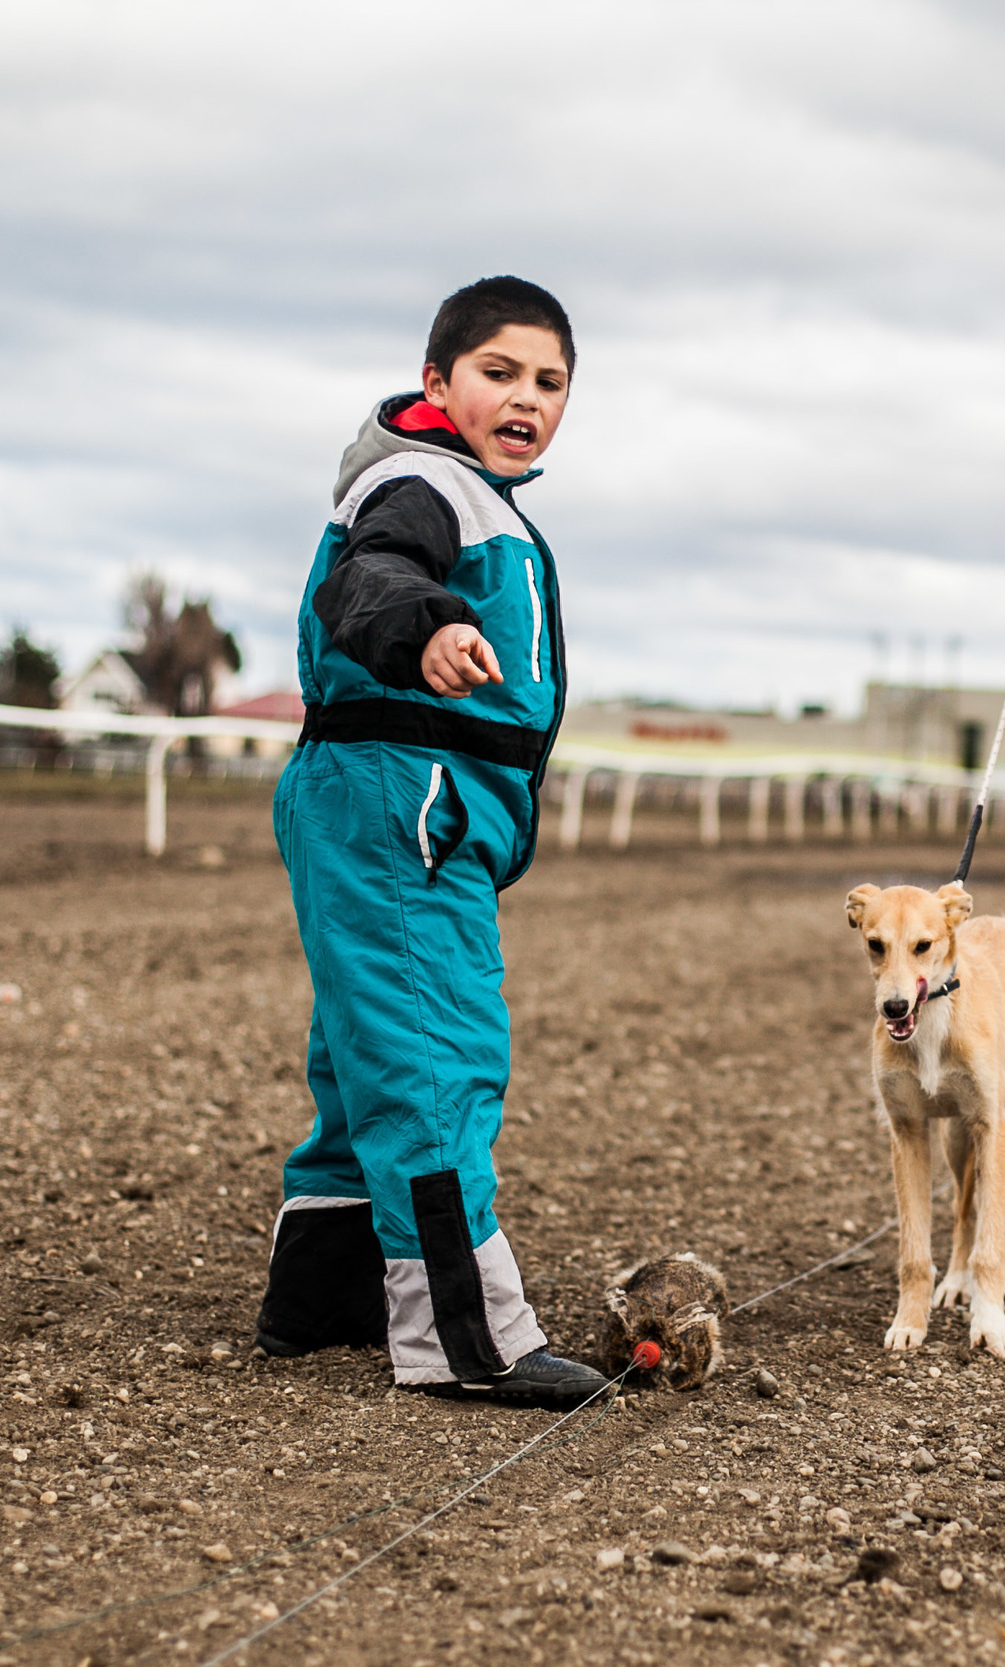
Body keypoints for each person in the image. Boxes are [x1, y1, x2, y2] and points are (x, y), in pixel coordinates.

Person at [253, 276, 611, 1408]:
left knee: (364, 1053)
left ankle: (325, 1296)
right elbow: (369, 581)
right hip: (399, 796)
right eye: (499, 372)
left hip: (399, 802)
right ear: (436, 382)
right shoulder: (422, 483)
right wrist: (431, 626)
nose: (527, 398)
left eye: (550, 382)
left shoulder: (467, 490)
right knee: (434, 1054)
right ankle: (468, 1335)